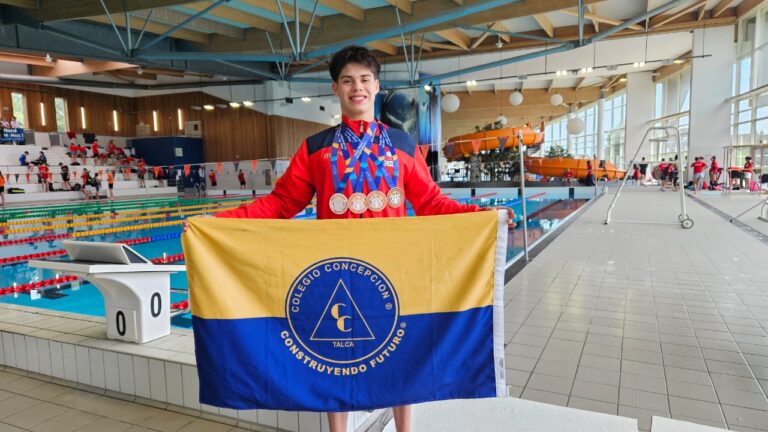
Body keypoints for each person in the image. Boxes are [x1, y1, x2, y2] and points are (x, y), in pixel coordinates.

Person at [182, 45, 514, 432]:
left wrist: (485, 217)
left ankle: (404, 429)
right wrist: (217, 222)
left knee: (399, 351)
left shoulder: (404, 145)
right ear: (336, 89)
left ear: (376, 87)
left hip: (392, 269)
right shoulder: (316, 148)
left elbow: (431, 202)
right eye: (347, 80)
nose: (357, 87)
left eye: (364, 80)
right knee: (333, 354)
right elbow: (281, 203)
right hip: (335, 267)